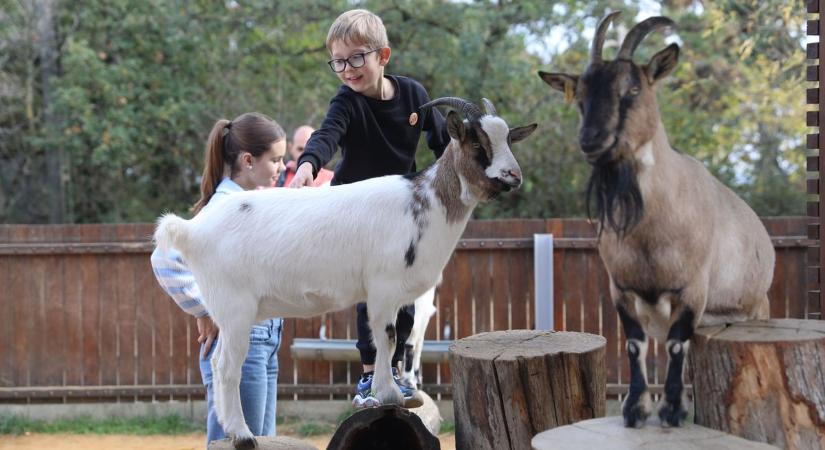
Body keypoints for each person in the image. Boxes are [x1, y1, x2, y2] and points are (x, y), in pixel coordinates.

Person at [288, 9, 450, 408]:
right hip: (356, 210)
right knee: (373, 290)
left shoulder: (414, 95)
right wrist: (308, 164)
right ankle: (368, 376)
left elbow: (444, 144)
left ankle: (393, 370)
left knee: (407, 291)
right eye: (338, 62)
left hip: (400, 207)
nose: (347, 70)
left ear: (383, 55)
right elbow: (328, 134)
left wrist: (453, 183)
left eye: (357, 58)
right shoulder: (347, 101)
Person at [151, 112, 287, 444]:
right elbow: (165, 257)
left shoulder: (248, 204)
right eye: (276, 159)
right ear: (248, 160)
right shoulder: (226, 209)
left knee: (260, 443)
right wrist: (209, 309)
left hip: (263, 339)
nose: (282, 167)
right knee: (238, 445)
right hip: (246, 341)